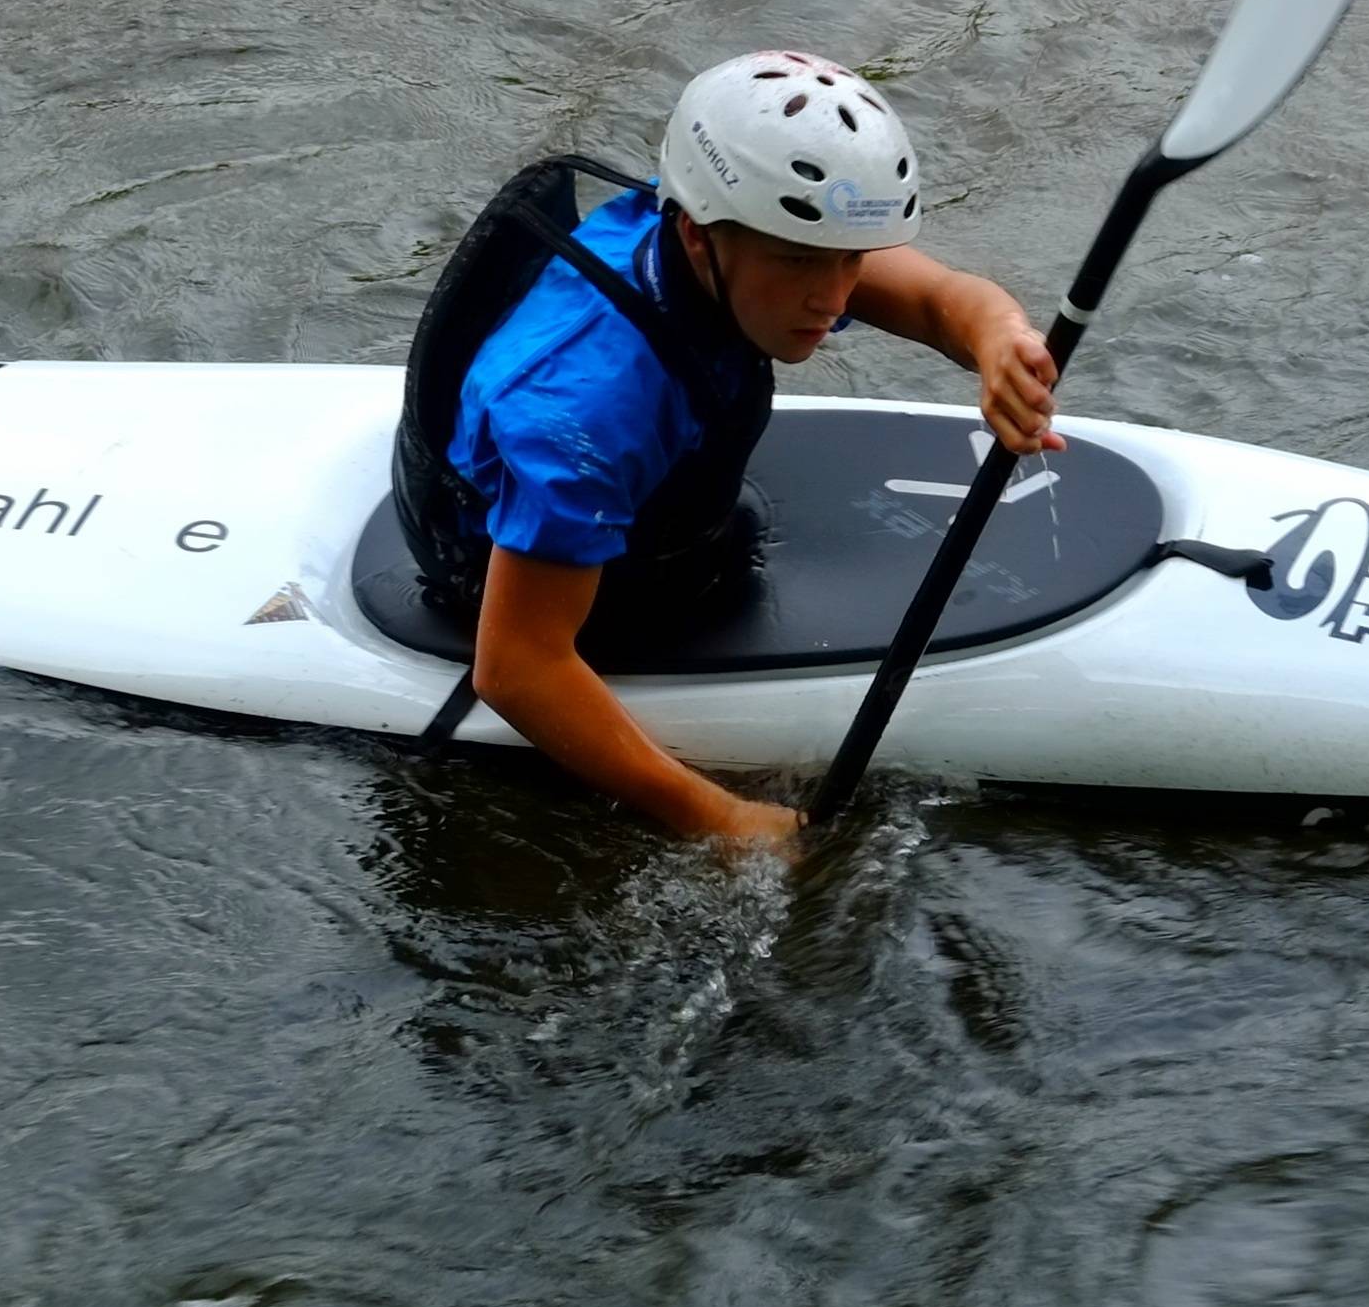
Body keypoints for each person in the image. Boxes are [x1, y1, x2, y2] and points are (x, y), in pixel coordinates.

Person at [391, 52, 1058, 848]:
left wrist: (1000, 339)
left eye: (851, 258)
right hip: (510, 568)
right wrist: (722, 820)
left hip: (638, 480)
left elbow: (943, 299)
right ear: (696, 235)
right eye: (803, 262)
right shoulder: (584, 417)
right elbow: (517, 669)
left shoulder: (751, 246)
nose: (835, 296)